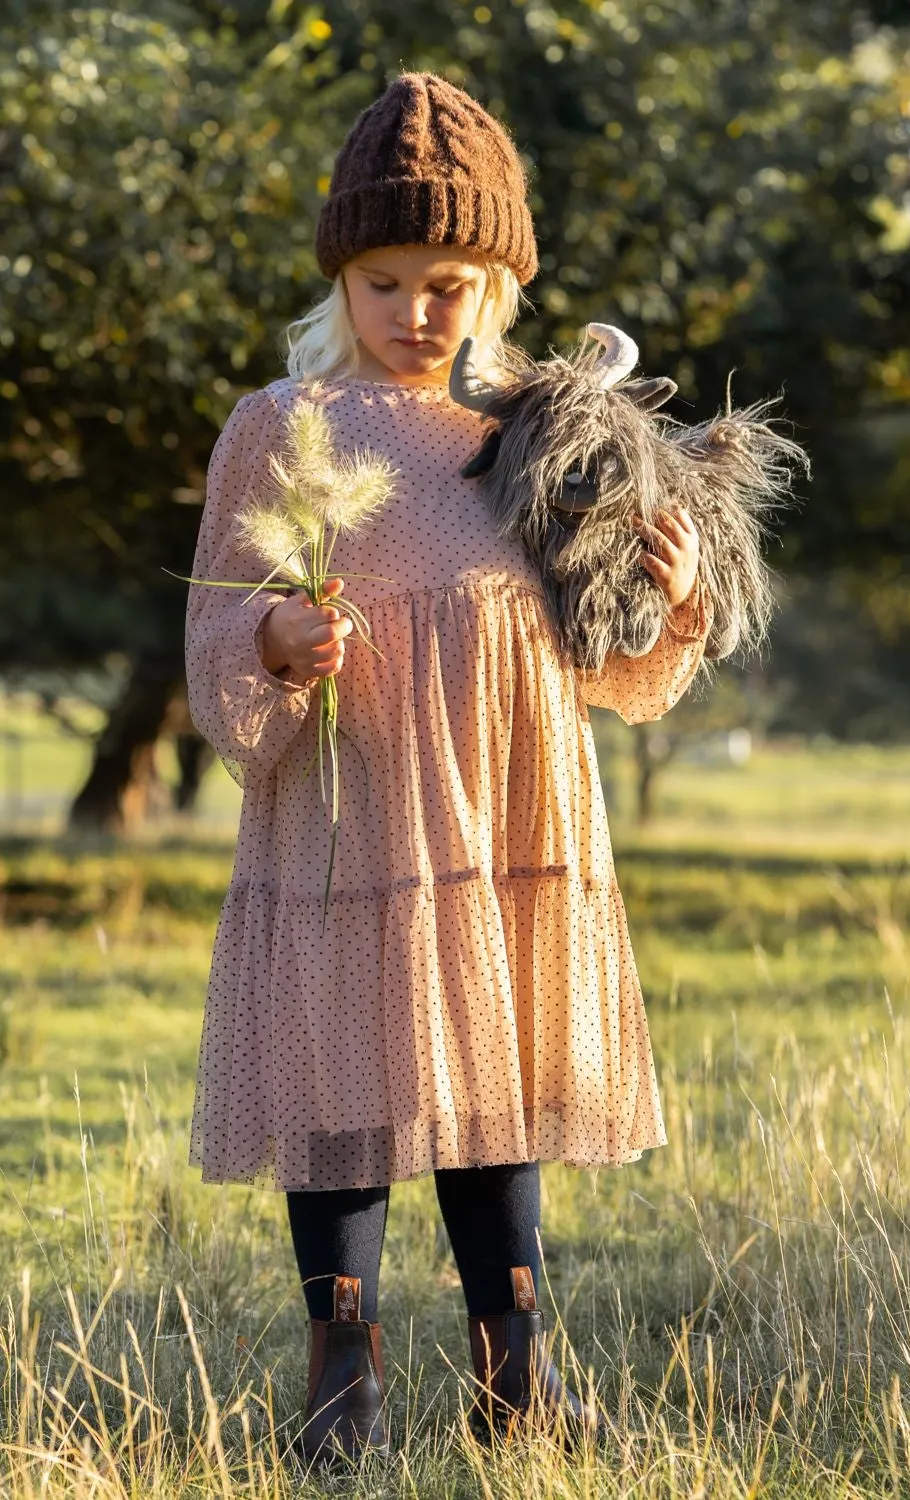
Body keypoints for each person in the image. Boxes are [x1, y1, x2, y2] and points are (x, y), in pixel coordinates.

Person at [182, 73, 710, 1462]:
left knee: (492, 1088)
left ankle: (513, 1380)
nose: (417, 309)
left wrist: (674, 593)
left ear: (502, 282)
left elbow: (606, 662)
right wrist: (277, 633)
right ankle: (339, 1385)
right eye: (382, 279)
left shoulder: (548, 431)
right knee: (339, 1092)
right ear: (338, 281)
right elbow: (216, 628)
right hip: (353, 811)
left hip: (503, 818)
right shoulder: (282, 427)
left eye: (450, 280)